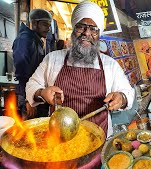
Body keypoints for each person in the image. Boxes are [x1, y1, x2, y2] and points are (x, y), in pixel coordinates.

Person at [26, 1, 134, 137]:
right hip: (60, 138)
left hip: (99, 138)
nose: (86, 33)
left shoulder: (110, 65)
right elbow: (31, 85)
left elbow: (128, 93)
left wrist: (121, 98)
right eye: (81, 27)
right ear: (73, 29)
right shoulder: (52, 59)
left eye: (93, 29)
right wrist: (42, 92)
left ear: (99, 34)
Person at [13, 9, 52, 119]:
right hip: (28, 95)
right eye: (45, 25)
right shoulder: (25, 39)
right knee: (29, 130)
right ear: (34, 23)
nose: (48, 29)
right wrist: (28, 100)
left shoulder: (36, 40)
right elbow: (22, 71)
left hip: (35, 92)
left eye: (49, 25)